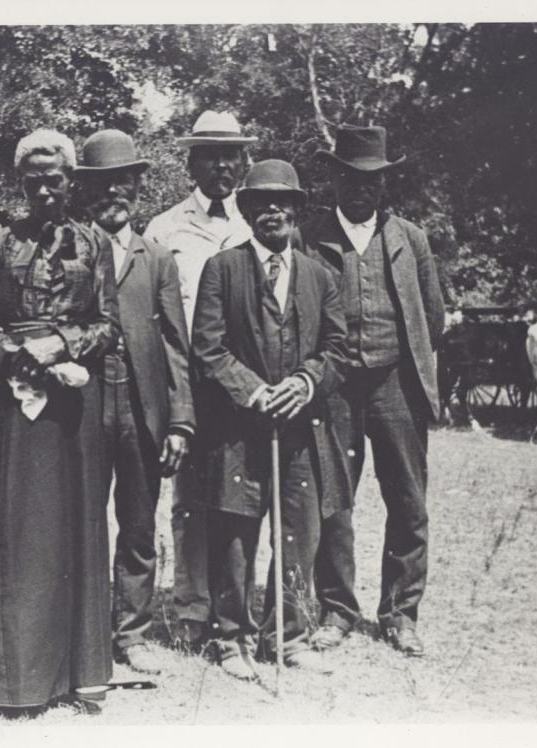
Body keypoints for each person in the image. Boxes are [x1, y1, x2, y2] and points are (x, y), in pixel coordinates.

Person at [0, 129, 121, 714]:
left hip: (70, 410)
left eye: (55, 178)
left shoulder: (94, 244)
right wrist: (22, 357)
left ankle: (69, 675)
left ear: (71, 182)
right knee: (7, 529)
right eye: (33, 178)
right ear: (21, 182)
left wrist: (61, 345)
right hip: (7, 408)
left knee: (67, 528)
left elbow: (109, 325)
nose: (45, 188)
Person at [192, 159, 349, 680]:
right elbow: (208, 350)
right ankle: (228, 637)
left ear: (297, 211)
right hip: (239, 428)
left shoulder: (320, 275)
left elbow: (337, 348)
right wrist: (255, 392)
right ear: (247, 210)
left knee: (298, 533)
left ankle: (288, 635)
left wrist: (304, 383)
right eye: (260, 203)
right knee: (236, 530)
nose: (272, 211)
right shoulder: (224, 268)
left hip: (301, 428)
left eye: (283, 202)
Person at [299, 125, 445, 657]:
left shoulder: (411, 239)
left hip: (396, 386)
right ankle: (336, 609)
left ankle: (401, 614)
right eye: (351, 177)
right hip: (333, 389)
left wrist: (404, 365)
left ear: (385, 184)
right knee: (333, 502)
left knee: (407, 500)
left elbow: (433, 316)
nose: (362, 188)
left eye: (373, 180)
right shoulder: (308, 237)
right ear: (334, 179)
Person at [74, 130, 195, 674]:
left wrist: (180, 422)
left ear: (138, 188)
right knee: (82, 519)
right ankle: (83, 628)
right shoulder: (69, 248)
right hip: (83, 407)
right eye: (102, 185)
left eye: (123, 183)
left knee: (139, 525)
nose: (113, 194)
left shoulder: (159, 258)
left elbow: (176, 344)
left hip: (143, 409)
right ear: (86, 191)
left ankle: (133, 631)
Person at [143, 111, 255, 645]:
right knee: (189, 499)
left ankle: (237, 606)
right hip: (186, 383)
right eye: (209, 154)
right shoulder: (164, 229)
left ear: (243, 161)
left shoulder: (257, 223)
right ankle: (190, 609)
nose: (221, 166)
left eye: (230, 155)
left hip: (242, 387)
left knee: (238, 499)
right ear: (190, 161)